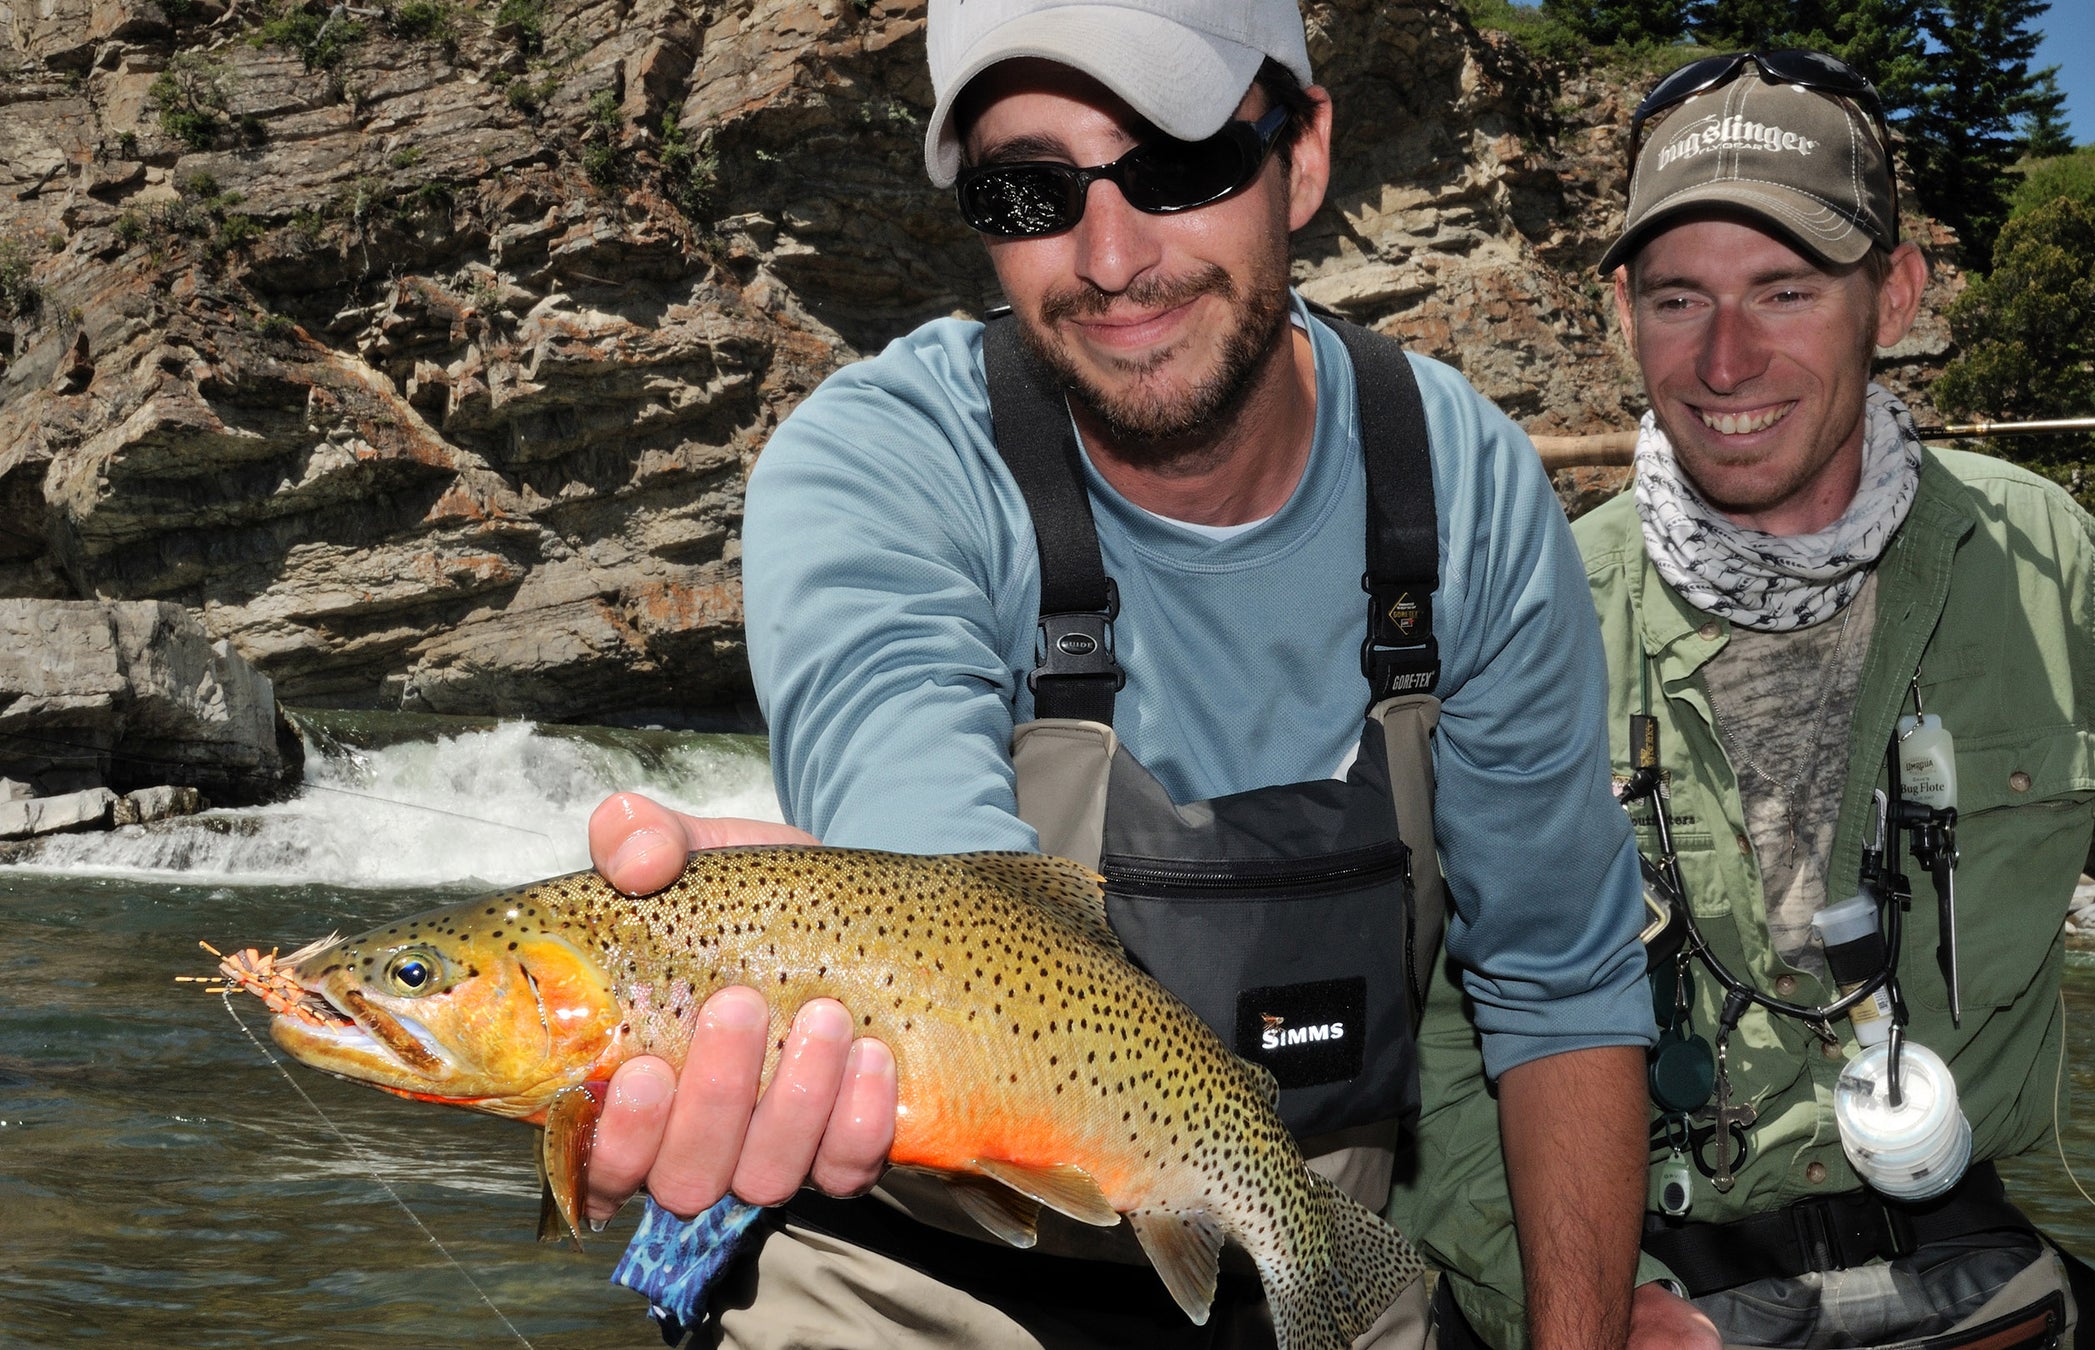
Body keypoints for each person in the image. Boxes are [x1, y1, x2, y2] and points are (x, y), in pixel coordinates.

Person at [575, 1, 1658, 1345]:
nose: (1110, 255)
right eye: (1031, 187)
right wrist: (782, 924)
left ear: (1303, 157)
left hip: (1303, 1248)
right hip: (915, 1273)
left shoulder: (1462, 486)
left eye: (1180, 162)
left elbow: (1561, 983)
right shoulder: (878, 469)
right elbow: (943, 892)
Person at [1389, 50, 2095, 1350]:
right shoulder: (1529, 615)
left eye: (1786, 290)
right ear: (1621, 311)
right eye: (1680, 297)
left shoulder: (2036, 550)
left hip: (1963, 1279)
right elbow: (1431, 1040)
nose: (1728, 357)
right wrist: (1570, 1300)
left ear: (1897, 292)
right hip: (1636, 1289)